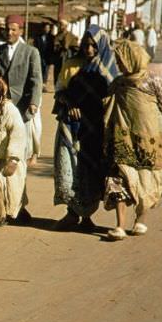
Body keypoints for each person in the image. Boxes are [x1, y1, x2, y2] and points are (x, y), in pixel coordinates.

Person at [102, 40, 162, 241]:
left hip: (148, 142)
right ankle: (119, 226)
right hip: (122, 139)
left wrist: (155, 132)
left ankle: (140, 220)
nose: (119, 64)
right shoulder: (118, 83)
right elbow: (108, 104)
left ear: (133, 58)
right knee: (119, 178)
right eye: (117, 60)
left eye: (121, 60)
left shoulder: (154, 82)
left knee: (147, 179)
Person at [53, 25, 119, 231]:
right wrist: (70, 103)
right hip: (72, 126)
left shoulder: (109, 70)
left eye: (93, 46)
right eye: (85, 45)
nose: (89, 50)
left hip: (97, 129)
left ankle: (88, 216)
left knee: (92, 171)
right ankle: (72, 214)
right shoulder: (71, 65)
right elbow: (59, 92)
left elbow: (115, 99)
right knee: (70, 168)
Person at [0, 14, 42, 223]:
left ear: (21, 30)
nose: (9, 33)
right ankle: (3, 204)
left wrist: (34, 103)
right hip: (1, 112)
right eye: (7, 29)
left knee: (18, 162)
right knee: (0, 158)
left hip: (22, 111)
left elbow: (36, 79)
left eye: (13, 29)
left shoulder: (31, 52)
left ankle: (19, 205)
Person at [0, 77, 29, 226]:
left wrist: (13, 159)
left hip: (8, 158)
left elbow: (18, 134)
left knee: (15, 191)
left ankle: (18, 211)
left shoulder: (10, 110)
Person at [53, 19, 79, 84]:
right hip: (58, 57)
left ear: (66, 26)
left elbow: (71, 46)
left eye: (61, 25)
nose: (60, 26)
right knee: (57, 72)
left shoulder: (69, 35)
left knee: (65, 72)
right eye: (59, 25)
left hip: (66, 57)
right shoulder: (58, 35)